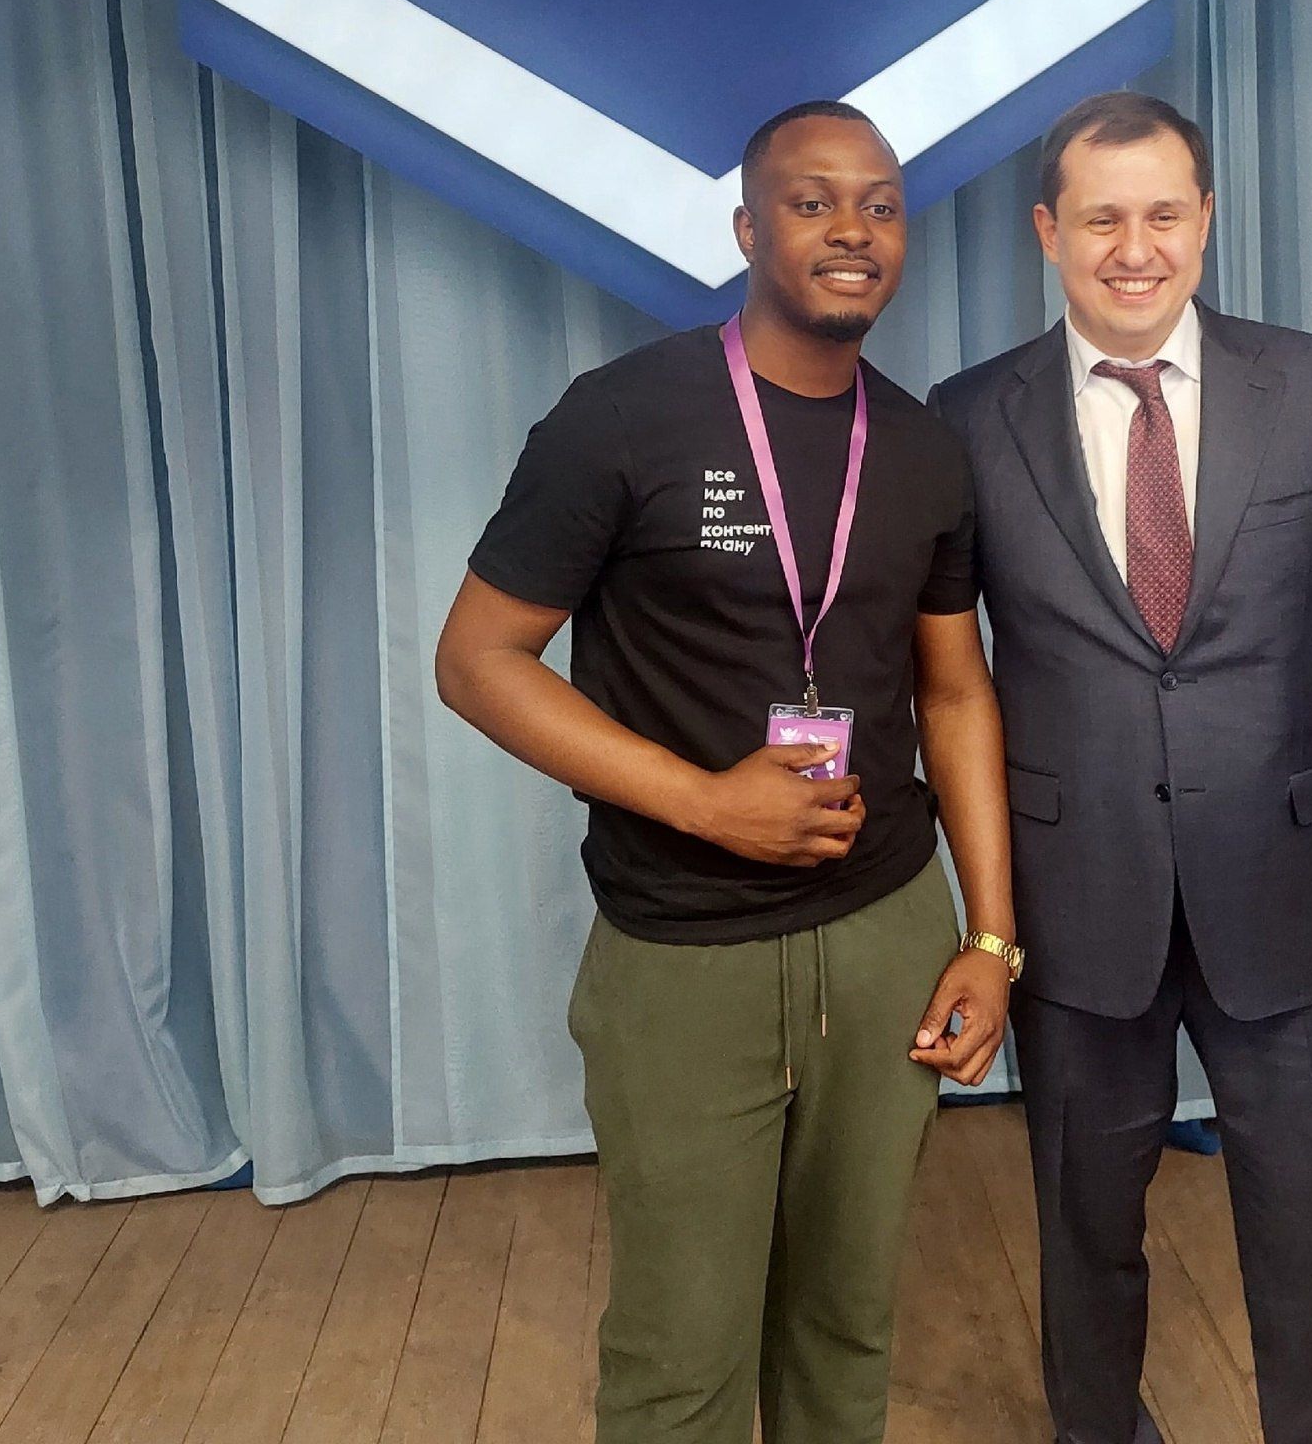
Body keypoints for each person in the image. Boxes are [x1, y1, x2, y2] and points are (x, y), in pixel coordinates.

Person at [435, 100, 1018, 1444]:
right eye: (814, 201)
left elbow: (954, 692)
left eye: (880, 205)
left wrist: (991, 938)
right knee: (680, 1355)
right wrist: (703, 802)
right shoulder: (620, 418)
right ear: (750, 230)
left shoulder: (922, 448)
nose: (852, 228)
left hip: (886, 936)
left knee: (845, 1330)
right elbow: (476, 661)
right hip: (682, 953)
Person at [931, 91, 1312, 1444]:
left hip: (1291, 893)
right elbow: (945, 680)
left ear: (1207, 221)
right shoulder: (969, 418)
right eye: (1101, 218)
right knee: (1082, 1232)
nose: (1135, 248)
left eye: (1164, 215)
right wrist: (977, 923)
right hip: (1073, 901)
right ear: (1048, 231)